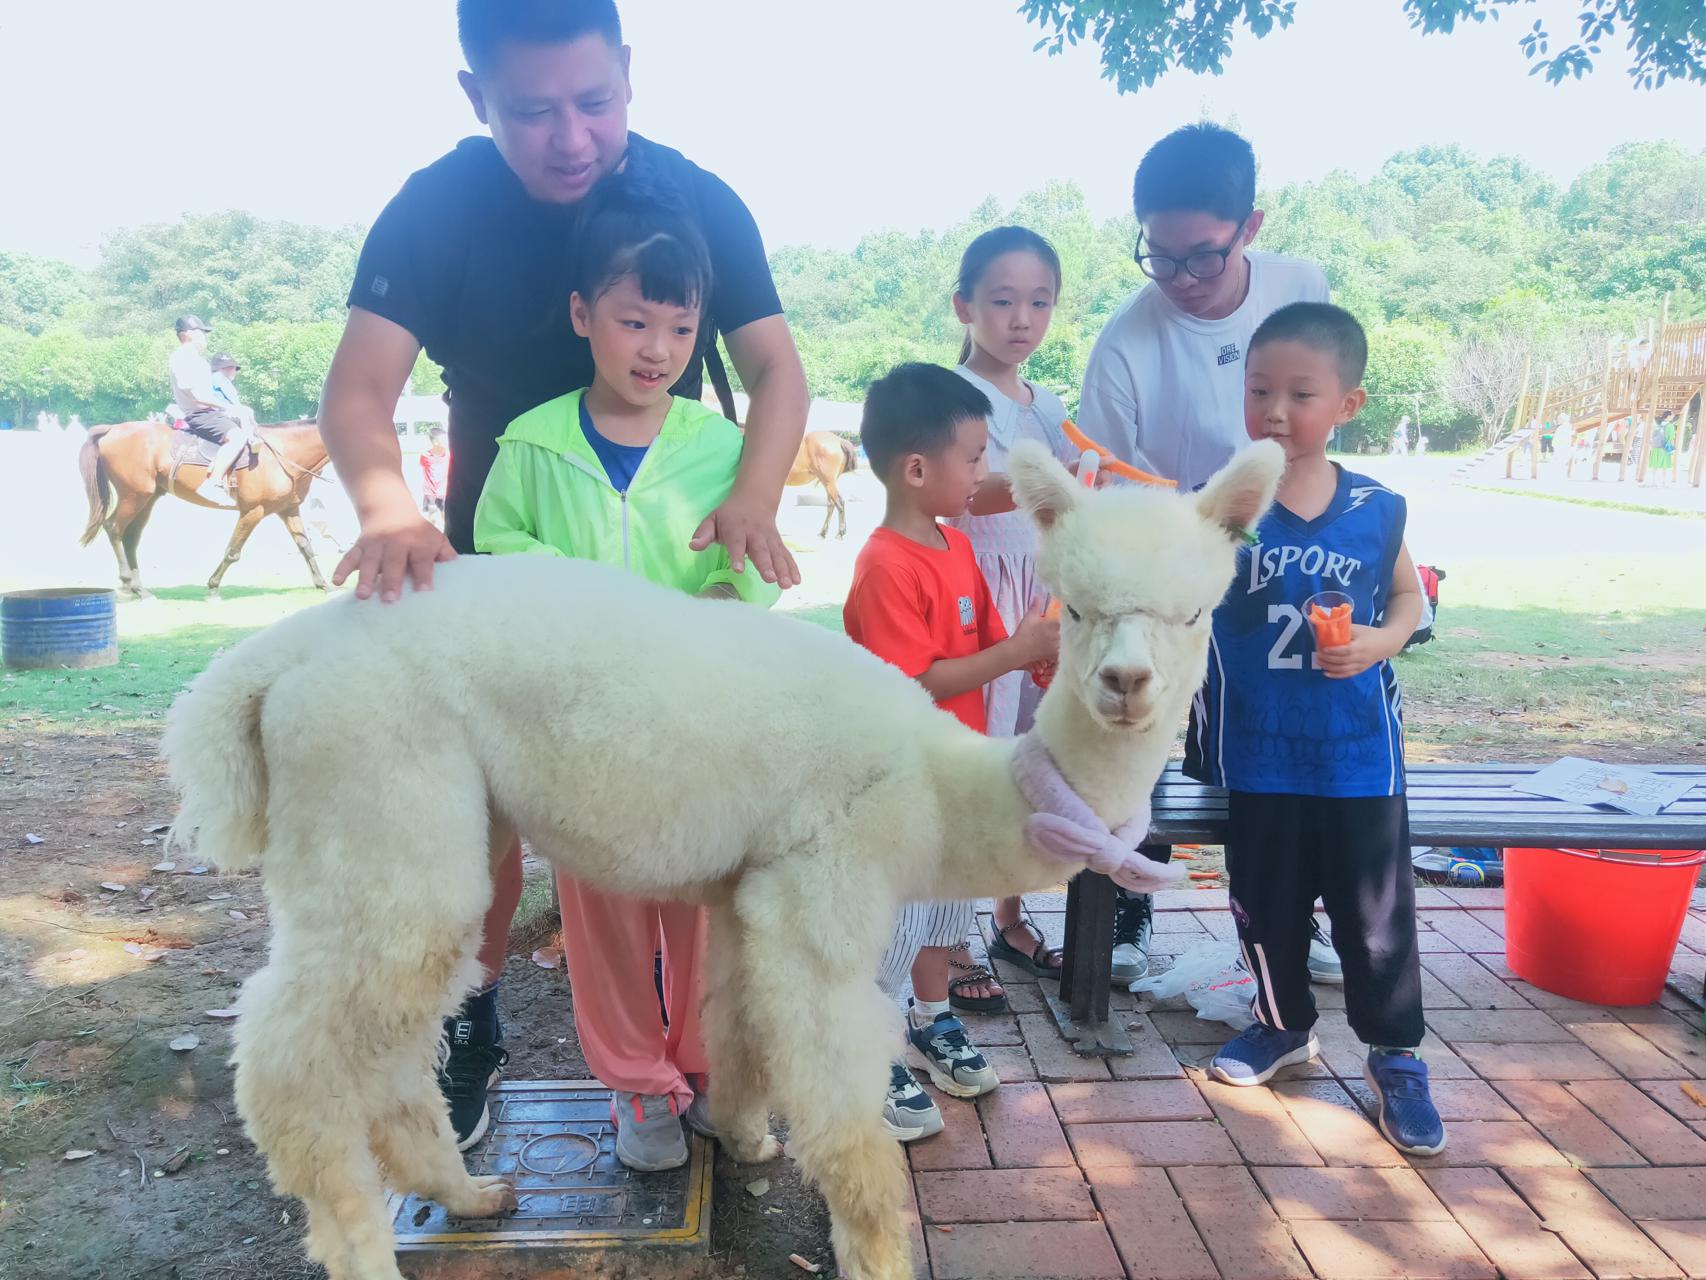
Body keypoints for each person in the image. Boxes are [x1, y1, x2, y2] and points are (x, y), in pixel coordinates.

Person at [320, 0, 808, 1144]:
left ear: (629, 74)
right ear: (473, 95)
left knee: (697, 812)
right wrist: (388, 508)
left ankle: (710, 1045)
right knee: (477, 804)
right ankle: (467, 1015)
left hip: (670, 552)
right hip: (506, 537)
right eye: (531, 111)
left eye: (593, 101)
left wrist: (753, 496)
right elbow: (357, 390)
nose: (570, 136)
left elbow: (775, 368)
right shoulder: (436, 207)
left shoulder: (697, 197)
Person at [473, 181, 778, 1168]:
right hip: (576, 733)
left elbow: (744, 567)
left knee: (699, 903)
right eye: (631, 319)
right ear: (581, 317)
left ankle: (697, 1065)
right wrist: (585, 598)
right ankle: (635, 1084)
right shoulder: (530, 442)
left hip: (694, 723)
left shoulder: (724, 447)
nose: (655, 347)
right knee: (601, 910)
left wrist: (727, 602)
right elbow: (494, 543)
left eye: (680, 326)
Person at [1074, 123, 1336, 984]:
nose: (1180, 279)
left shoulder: (1303, 292)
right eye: (1159, 256)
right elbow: (1112, 492)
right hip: (1174, 577)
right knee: (1142, 724)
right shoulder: (1125, 344)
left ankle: (1301, 915)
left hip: (1291, 555)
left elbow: (1321, 411)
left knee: (1292, 730)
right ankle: (1127, 908)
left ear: (1249, 227)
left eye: (1202, 258)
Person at [1185, 302, 1442, 1157]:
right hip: (1257, 749)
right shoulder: (1218, 504)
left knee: (1376, 919)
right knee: (1268, 907)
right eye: (1260, 390)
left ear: (1348, 405)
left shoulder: (1377, 507)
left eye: (1301, 393)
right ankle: (1283, 1024)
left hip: (1358, 756)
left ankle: (1396, 1054)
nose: (1276, 412)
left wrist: (1382, 637)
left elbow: (1409, 597)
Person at [844, 363, 1059, 1141]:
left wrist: (1031, 653)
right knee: (896, 921)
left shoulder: (954, 544)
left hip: (956, 771)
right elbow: (919, 681)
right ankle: (867, 1048)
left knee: (946, 907)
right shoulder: (885, 565)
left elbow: (987, 642)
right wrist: (1012, 655)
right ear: (916, 468)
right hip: (906, 778)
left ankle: (931, 1021)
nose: (982, 474)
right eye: (972, 459)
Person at [947, 227, 1086, 987]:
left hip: (1040, 591)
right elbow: (959, 494)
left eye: (1039, 302)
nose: (1021, 319)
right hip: (982, 596)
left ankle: (1007, 918)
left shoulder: (1049, 402)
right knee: (980, 760)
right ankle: (953, 935)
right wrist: (1046, 477)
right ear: (965, 304)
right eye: (1002, 301)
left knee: (1033, 757)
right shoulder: (955, 396)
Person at [168, 316, 249, 505]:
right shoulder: (182, 357)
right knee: (237, 437)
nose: (205, 336)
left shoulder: (197, 360)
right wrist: (229, 407)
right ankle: (213, 483)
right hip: (199, 414)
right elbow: (197, 397)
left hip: (210, 412)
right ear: (188, 334)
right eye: (201, 332)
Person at [420, 427, 451, 526]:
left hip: (444, 492)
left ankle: (446, 537)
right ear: (435, 441)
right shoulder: (425, 455)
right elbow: (424, 472)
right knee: (432, 517)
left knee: (445, 517)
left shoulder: (448, 455)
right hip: (430, 492)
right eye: (444, 439)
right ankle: (432, 537)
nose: (447, 441)